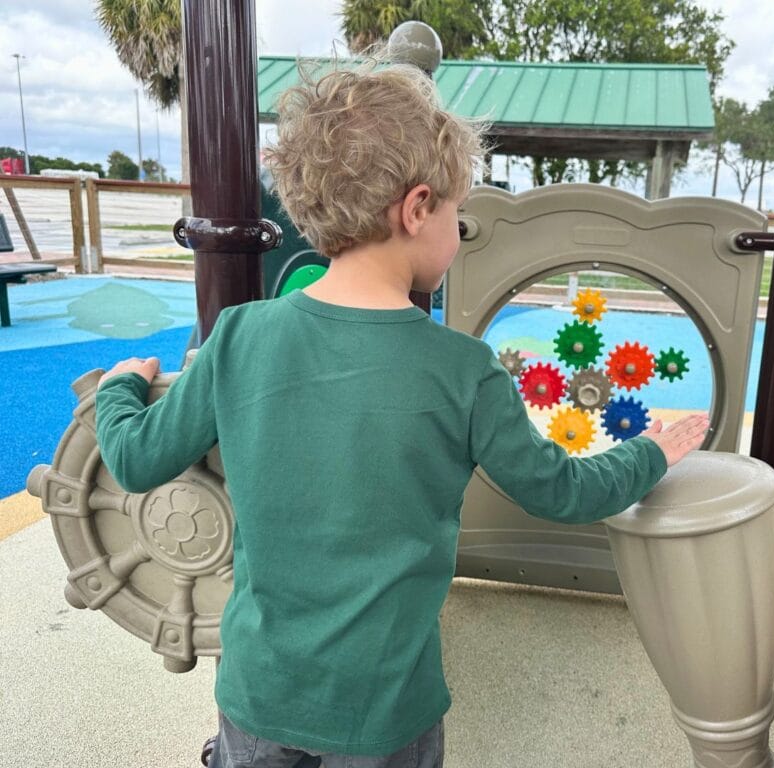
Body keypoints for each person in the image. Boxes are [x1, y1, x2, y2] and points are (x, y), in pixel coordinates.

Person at [94, 59, 709, 768]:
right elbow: (560, 492)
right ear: (418, 208)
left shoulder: (239, 337)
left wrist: (119, 386)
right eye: (459, 214)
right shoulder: (463, 371)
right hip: (384, 711)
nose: (458, 231)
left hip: (259, 695)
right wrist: (651, 453)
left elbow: (136, 458)